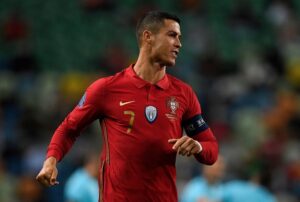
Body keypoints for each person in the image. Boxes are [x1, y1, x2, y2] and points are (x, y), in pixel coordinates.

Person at [36, 11, 218, 202]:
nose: (179, 44)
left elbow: (211, 150)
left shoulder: (183, 94)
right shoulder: (106, 89)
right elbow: (69, 128)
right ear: (148, 36)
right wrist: (51, 160)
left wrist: (197, 146)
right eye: (172, 35)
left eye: (180, 37)